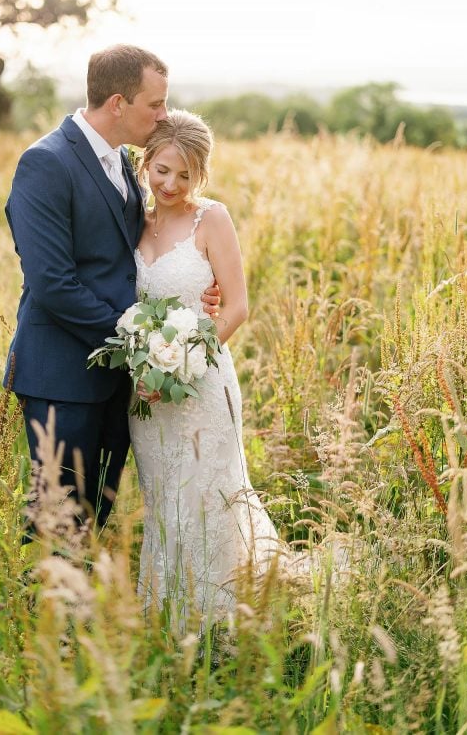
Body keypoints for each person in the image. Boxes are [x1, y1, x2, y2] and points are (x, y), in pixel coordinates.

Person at [3, 45, 219, 531]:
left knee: (95, 515)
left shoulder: (122, 160)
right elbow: (53, 283)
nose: (165, 114)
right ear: (119, 103)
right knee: (57, 520)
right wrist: (141, 341)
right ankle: (48, 607)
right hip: (61, 375)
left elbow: (129, 257)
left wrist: (192, 292)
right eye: (156, 104)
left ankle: (86, 606)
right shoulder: (46, 163)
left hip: (114, 377)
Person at [129, 109, 301, 621]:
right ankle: (167, 612)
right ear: (146, 162)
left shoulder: (212, 218)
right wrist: (148, 368)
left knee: (209, 493)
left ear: (201, 174)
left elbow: (237, 308)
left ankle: (222, 616)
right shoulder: (132, 218)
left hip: (201, 384)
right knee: (165, 499)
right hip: (146, 394)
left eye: (185, 175)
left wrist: (180, 364)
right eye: (162, 170)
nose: (171, 184)